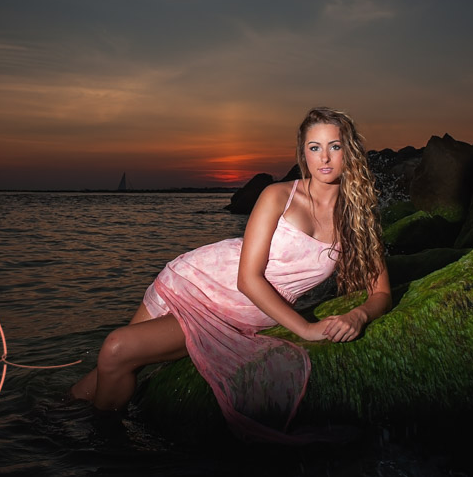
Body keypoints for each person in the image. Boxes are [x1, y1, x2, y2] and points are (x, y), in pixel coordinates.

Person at [69, 107, 391, 441]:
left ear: (349, 150)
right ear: (303, 153)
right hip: (194, 279)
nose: (324, 157)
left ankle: (94, 446)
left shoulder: (358, 216)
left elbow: (380, 292)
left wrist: (359, 315)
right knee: (115, 363)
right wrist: (306, 329)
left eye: (334, 146)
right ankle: (59, 424)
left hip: (240, 312)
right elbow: (247, 279)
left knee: (117, 350)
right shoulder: (278, 195)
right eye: (314, 147)